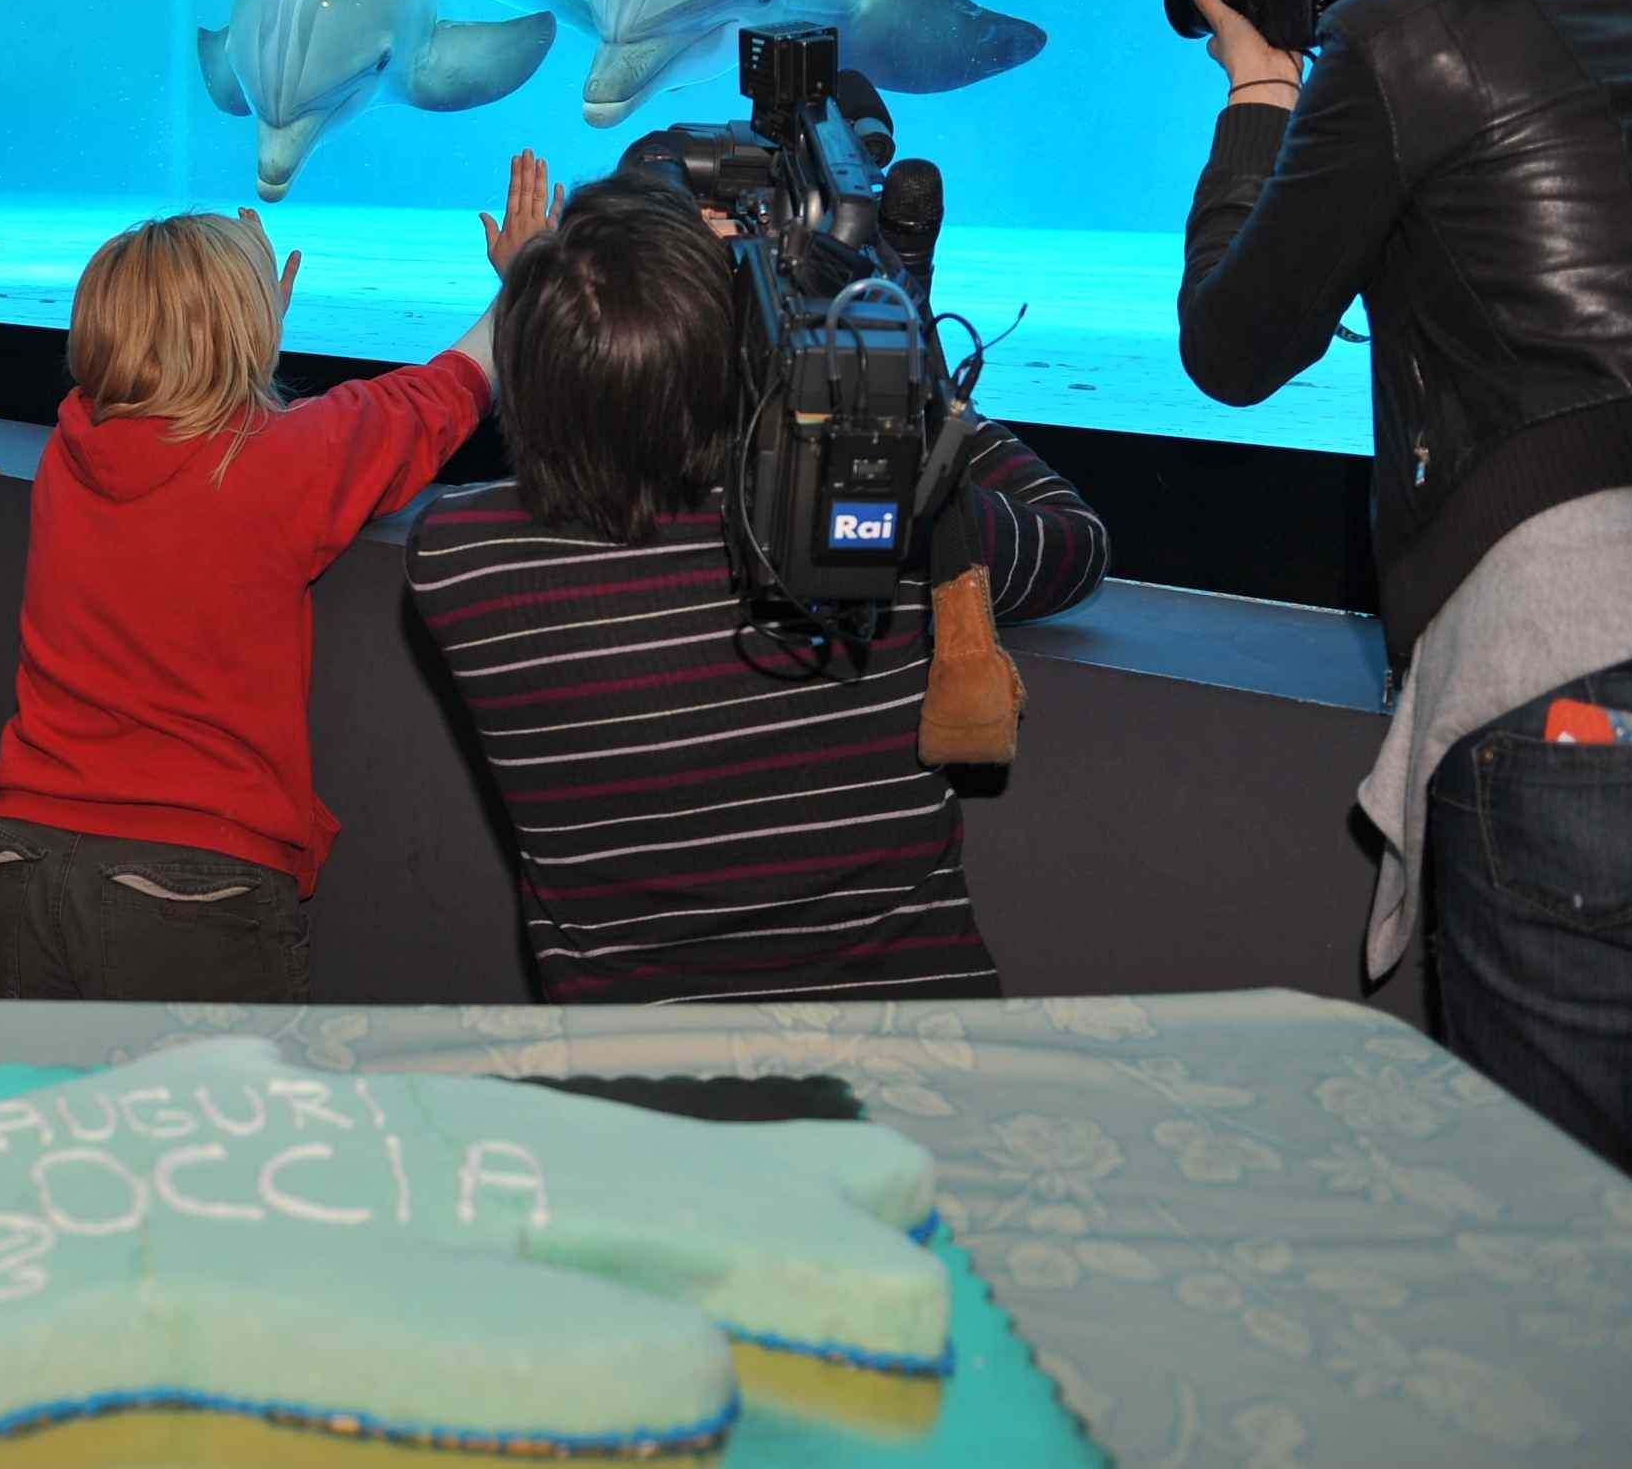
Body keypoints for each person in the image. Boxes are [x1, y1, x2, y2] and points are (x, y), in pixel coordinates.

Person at [1176, 0, 1632, 1201]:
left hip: (1605, 671)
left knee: (1570, 1233)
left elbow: (1235, 347)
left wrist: (1266, 90)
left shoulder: (1411, 32)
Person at [408, 175, 1109, 1004]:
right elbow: (1076, 539)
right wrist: (913, 386)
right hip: (917, 1059)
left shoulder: (457, 561)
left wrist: (544, 291)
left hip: (638, 1087)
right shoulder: (882, 527)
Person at [0, 154, 556, 1004]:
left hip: (11, 867)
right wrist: (518, 283)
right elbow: (441, 394)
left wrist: (236, 318)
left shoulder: (69, 451)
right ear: (246, 333)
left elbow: (177, 417)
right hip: (186, 893)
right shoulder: (281, 462)